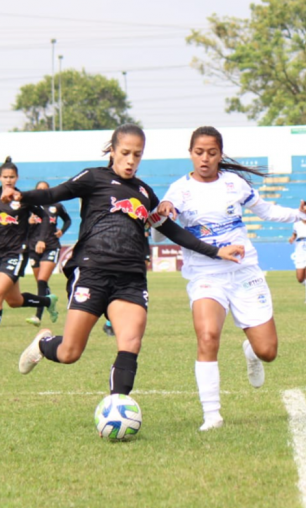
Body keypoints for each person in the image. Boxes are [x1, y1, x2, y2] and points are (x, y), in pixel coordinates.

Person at [16, 124, 245, 400]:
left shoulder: (145, 193)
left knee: (130, 342)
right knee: (69, 353)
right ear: (112, 151)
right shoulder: (94, 177)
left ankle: (118, 407)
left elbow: (174, 231)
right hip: (92, 271)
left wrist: (215, 251)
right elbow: (54, 194)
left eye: (137, 155)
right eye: (125, 153)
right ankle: (43, 344)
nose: (131, 160)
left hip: (131, 278)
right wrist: (23, 196)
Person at [155, 125, 306, 432]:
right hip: (206, 274)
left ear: (220, 154)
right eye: (198, 152)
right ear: (190, 154)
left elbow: (267, 211)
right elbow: (164, 222)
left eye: (211, 153)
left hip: (244, 271)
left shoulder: (234, 183)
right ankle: (212, 416)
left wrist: (302, 215)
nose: (205, 159)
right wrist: (165, 210)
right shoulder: (179, 190)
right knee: (207, 336)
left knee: (267, 352)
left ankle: (251, 351)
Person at [0, 157, 60, 356]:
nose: (8, 180)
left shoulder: (22, 199)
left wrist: (42, 237)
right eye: (5, 177)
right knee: (14, 301)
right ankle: (47, 301)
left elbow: (44, 217)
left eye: (12, 177)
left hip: (17, 253)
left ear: (17, 178)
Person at [25, 181, 72, 328]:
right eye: (39, 190)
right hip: (33, 247)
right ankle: (50, 303)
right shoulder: (30, 207)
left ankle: (38, 316)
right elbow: (20, 224)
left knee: (41, 280)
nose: (41, 192)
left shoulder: (55, 206)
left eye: (45, 190)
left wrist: (62, 231)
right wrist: (28, 221)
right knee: (41, 283)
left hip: (50, 245)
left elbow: (68, 219)